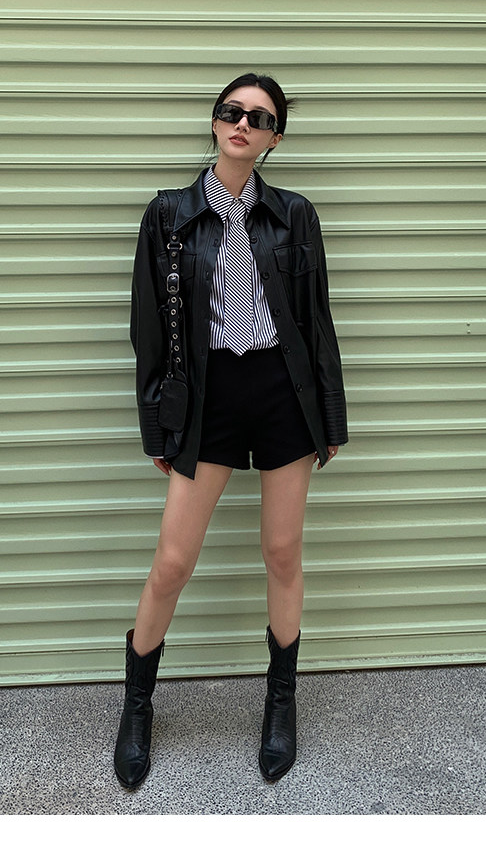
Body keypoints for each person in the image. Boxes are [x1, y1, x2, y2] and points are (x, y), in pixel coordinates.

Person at [114, 72, 348, 790]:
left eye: (260, 118)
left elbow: (316, 321)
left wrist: (330, 416)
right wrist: (157, 426)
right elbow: (147, 330)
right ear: (215, 123)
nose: (243, 124)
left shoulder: (295, 215)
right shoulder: (169, 216)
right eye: (232, 112)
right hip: (206, 397)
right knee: (172, 561)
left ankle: (281, 703)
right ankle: (137, 705)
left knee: (283, 551)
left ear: (275, 139)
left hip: (282, 394)